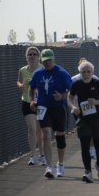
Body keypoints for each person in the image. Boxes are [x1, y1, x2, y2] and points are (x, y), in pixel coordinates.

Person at [29, 49, 72, 178]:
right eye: (45, 60)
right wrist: (31, 101)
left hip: (59, 107)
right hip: (43, 108)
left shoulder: (62, 73)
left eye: (50, 60)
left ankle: (61, 164)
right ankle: (49, 167)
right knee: (46, 135)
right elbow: (31, 89)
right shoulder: (38, 73)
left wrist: (62, 95)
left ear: (54, 60)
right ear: (41, 60)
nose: (47, 63)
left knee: (60, 135)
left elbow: (72, 91)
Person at [68, 61, 99, 183]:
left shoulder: (98, 83)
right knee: (84, 146)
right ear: (80, 73)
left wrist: (96, 102)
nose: (86, 74)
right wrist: (73, 107)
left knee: (98, 145)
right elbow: (69, 98)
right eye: (83, 72)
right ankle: (88, 171)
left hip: (97, 118)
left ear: (92, 72)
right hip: (83, 119)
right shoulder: (76, 84)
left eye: (88, 72)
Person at [17, 47, 46, 166]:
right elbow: (18, 81)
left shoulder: (42, 68)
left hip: (40, 102)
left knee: (40, 130)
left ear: (38, 57)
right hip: (27, 101)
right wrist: (21, 84)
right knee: (31, 128)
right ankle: (33, 155)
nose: (32, 56)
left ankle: (42, 155)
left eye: (34, 54)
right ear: (26, 56)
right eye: (30, 54)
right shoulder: (23, 70)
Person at [71, 57, 99, 159]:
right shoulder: (74, 80)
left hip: (91, 109)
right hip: (78, 109)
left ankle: (92, 149)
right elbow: (69, 96)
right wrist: (73, 106)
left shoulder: (95, 78)